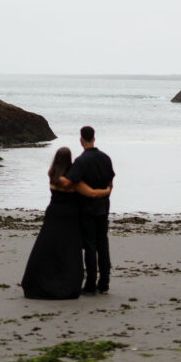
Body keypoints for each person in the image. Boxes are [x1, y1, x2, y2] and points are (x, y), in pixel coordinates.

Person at [21, 146, 112, 299]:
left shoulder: (52, 175)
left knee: (47, 248)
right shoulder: (72, 181)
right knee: (69, 251)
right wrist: (107, 191)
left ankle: (38, 280)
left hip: (53, 214)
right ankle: (67, 282)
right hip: (70, 217)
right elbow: (91, 193)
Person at [64, 125, 115, 294]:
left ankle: (91, 282)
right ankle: (105, 282)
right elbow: (110, 183)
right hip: (103, 206)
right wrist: (105, 194)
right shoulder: (106, 158)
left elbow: (71, 182)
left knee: (90, 246)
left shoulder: (81, 161)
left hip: (86, 208)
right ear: (94, 138)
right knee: (103, 244)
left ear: (81, 140)